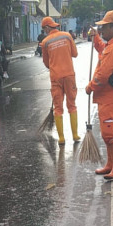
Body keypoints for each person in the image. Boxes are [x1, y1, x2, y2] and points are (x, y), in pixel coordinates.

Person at [85, 10, 113, 180]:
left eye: (104, 27)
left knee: (110, 133)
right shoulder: (112, 45)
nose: (102, 30)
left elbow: (102, 76)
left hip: (111, 98)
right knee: (106, 133)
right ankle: (111, 165)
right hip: (108, 97)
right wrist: (96, 37)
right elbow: (101, 49)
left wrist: (90, 87)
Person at [41, 16, 80, 145]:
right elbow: (75, 54)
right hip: (69, 75)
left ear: (47, 28)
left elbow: (47, 64)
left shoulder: (45, 42)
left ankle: (62, 138)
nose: (44, 31)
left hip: (56, 77)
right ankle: (75, 135)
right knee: (72, 105)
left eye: (44, 29)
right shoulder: (67, 36)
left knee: (58, 108)